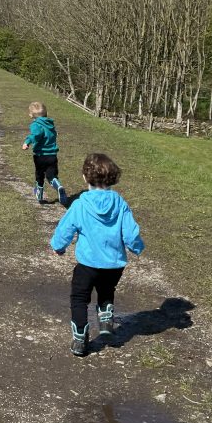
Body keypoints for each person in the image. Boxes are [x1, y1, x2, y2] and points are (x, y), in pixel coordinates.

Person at [51, 152, 144, 356]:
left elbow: (65, 229)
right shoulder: (120, 204)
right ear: (112, 178)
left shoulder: (81, 204)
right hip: (114, 264)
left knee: (79, 298)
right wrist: (137, 247)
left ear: (85, 178)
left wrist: (58, 246)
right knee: (106, 288)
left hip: (87, 264)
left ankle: (79, 340)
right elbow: (130, 232)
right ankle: (105, 317)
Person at [22, 101, 67, 205]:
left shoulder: (36, 125)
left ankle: (39, 193)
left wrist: (27, 142)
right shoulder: (50, 123)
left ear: (31, 115)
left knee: (39, 174)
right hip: (52, 156)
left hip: (40, 155)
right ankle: (58, 186)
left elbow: (36, 135)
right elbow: (52, 133)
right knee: (51, 175)